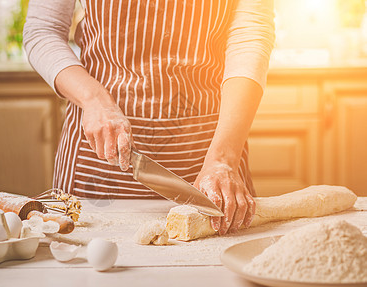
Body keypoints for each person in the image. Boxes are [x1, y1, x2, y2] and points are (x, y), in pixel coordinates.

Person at [23, 0, 275, 235]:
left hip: (212, 154)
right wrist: (94, 99)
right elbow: (43, 30)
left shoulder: (220, 158)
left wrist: (223, 158)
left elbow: (250, 34)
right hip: (96, 157)